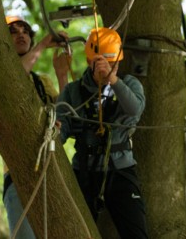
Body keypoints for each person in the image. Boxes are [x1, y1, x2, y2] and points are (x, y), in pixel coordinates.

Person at [56, 27, 148, 239]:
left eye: (113, 62)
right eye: (101, 62)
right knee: (77, 233)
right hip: (84, 172)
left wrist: (113, 80)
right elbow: (61, 131)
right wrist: (55, 131)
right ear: (90, 62)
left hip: (120, 169)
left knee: (136, 233)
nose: (107, 67)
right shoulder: (73, 92)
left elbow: (135, 109)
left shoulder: (130, 84)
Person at [2, 15, 70, 239]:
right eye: (13, 31)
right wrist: (43, 45)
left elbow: (65, 115)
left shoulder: (43, 82)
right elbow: (13, 80)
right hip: (20, 177)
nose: (21, 34)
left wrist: (62, 75)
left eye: (25, 31)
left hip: (53, 171)